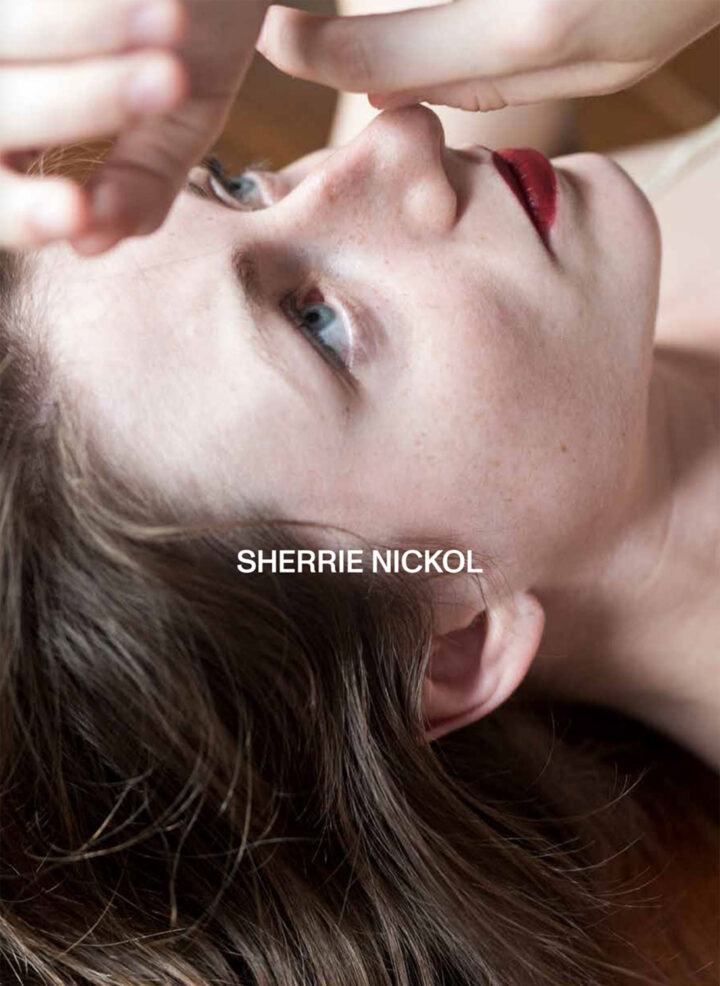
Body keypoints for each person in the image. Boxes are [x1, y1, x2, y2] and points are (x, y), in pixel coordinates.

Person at [0, 2, 717, 984]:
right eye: (321, 325)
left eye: (239, 186)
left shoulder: (552, 295)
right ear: (449, 648)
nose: (396, 137)